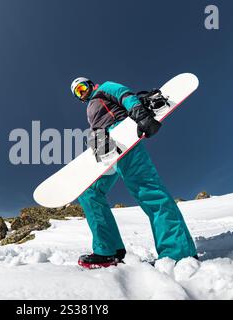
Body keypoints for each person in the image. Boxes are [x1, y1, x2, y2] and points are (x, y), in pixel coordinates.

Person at [70, 77, 198, 269]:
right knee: (89, 192)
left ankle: (178, 253)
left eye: (83, 87)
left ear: (90, 84)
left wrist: (139, 114)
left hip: (123, 139)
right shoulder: (90, 108)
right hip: (105, 147)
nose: (83, 93)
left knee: (148, 190)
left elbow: (124, 94)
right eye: (78, 93)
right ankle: (108, 250)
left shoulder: (105, 88)